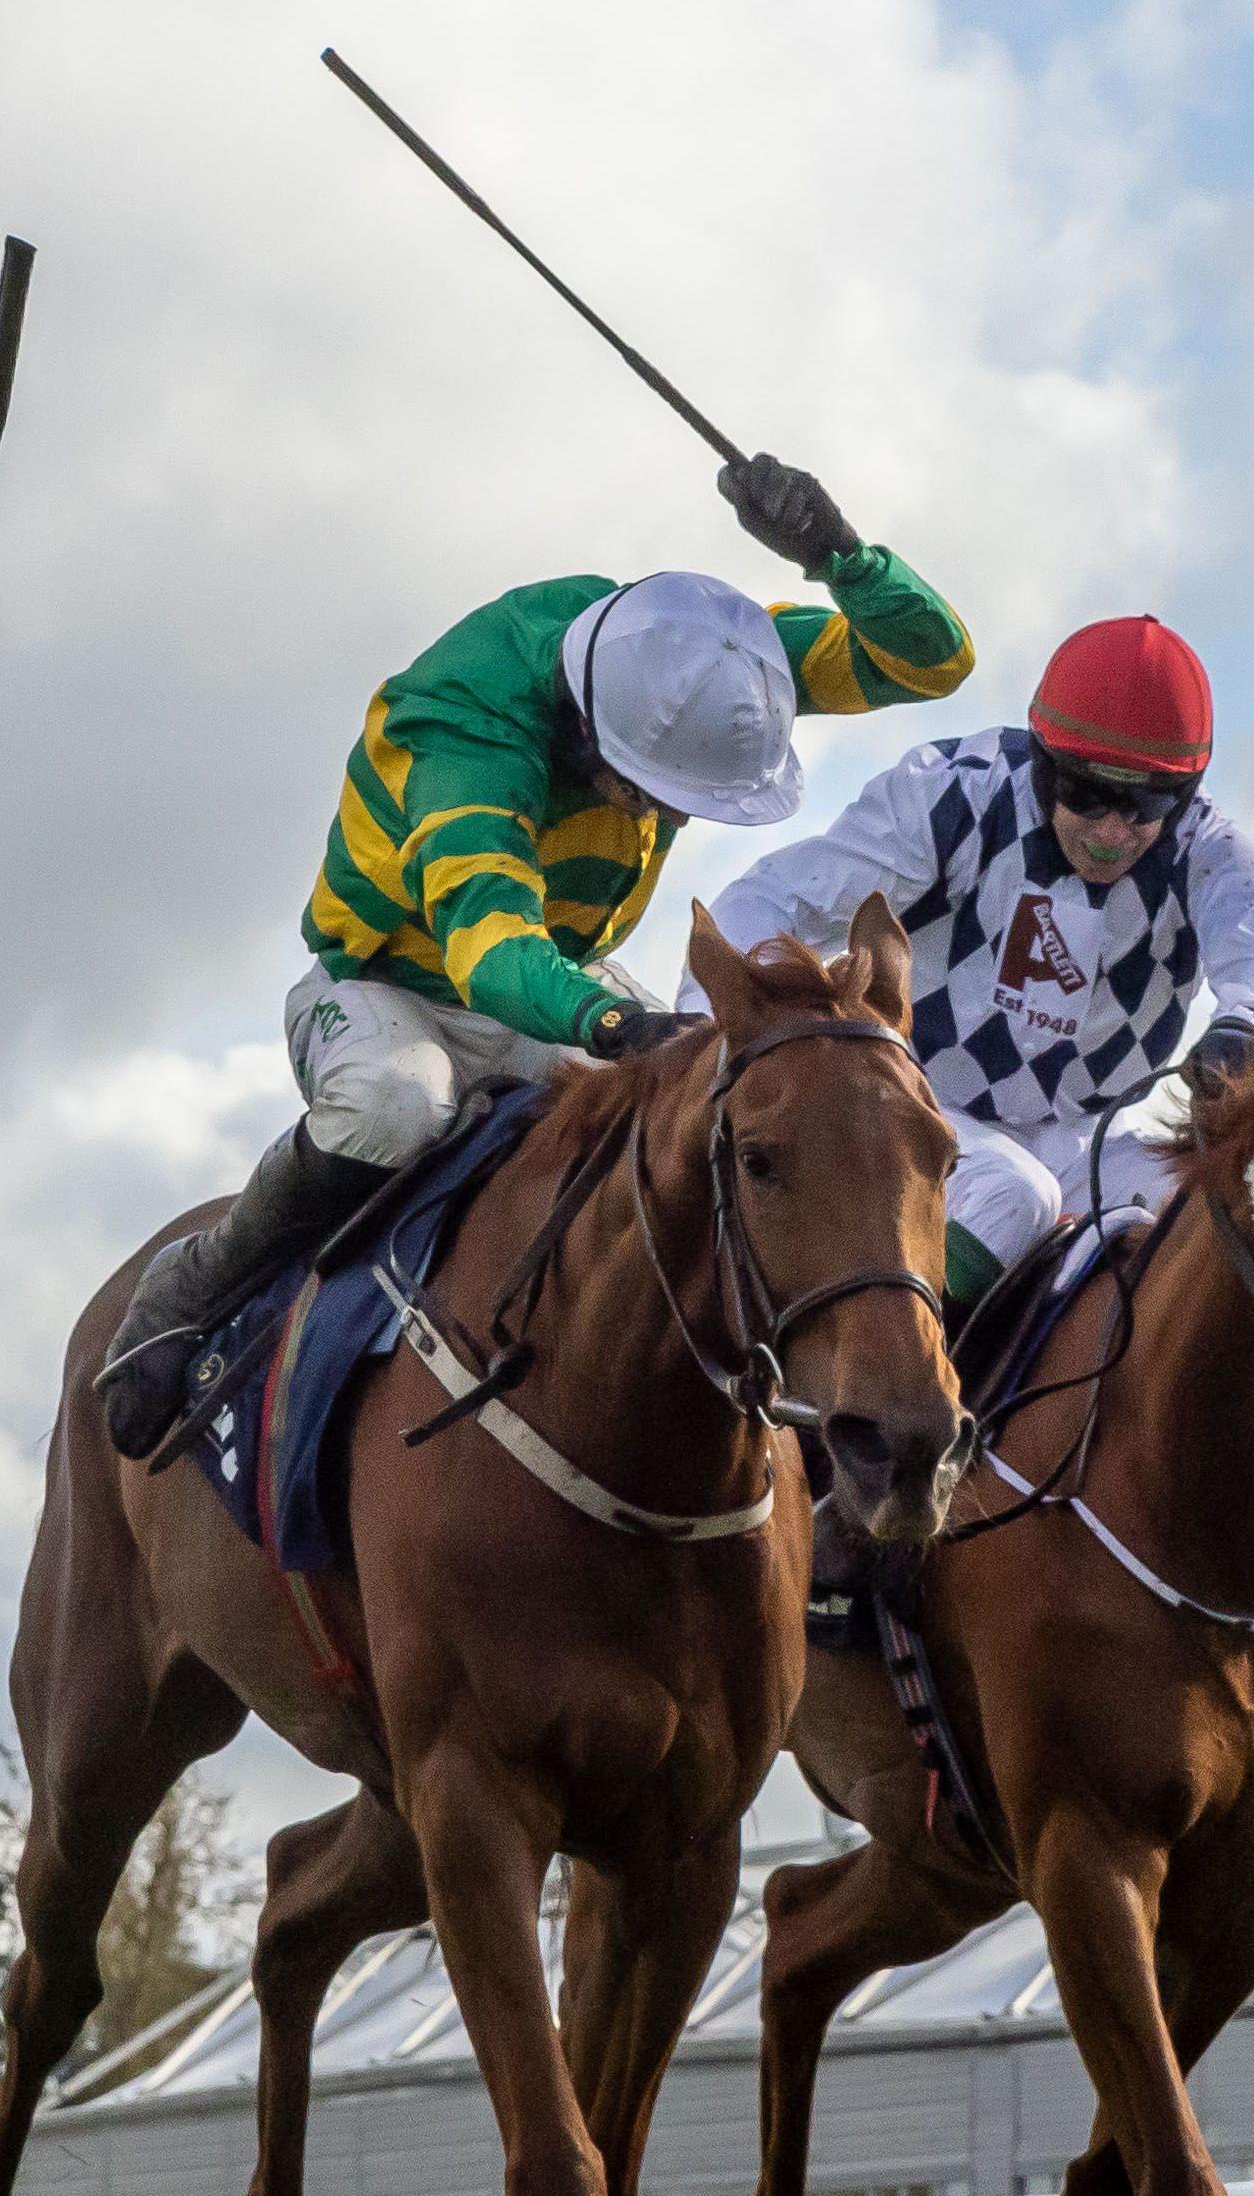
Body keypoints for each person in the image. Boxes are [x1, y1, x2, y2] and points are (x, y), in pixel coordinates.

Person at [93, 454, 974, 1458]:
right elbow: (490, 951)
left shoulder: (701, 663)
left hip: (554, 974)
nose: (663, 816)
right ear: (587, 727)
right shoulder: (465, 729)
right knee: (399, 1108)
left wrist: (840, 555)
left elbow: (928, 662)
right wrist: (619, 1024)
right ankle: (205, 1275)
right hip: (392, 987)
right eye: (651, 791)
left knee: (721, 1113)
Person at [697, 614, 1254, 1312]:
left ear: (1186, 792)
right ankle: (881, 1400)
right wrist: (710, 1032)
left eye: (1146, 803)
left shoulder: (1209, 851)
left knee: (1238, 1213)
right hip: (905, 1108)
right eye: (1086, 793)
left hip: (1080, 1141)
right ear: (1043, 761)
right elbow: (765, 900)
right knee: (1013, 1194)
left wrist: (1244, 1026)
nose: (1112, 833)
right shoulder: (956, 793)